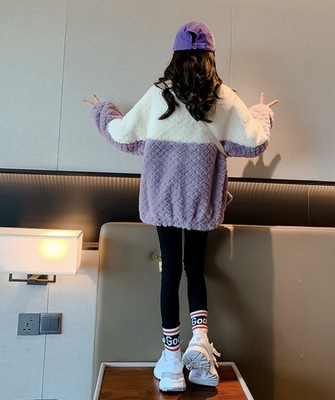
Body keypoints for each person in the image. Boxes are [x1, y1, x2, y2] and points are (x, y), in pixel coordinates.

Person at [84, 21, 277, 392]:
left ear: (176, 55)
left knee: (170, 270)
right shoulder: (223, 98)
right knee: (196, 268)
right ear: (211, 56)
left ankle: (172, 361)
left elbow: (123, 135)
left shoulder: (160, 94)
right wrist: (262, 111)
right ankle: (200, 342)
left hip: (163, 197)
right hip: (200, 199)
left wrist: (102, 110)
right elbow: (254, 142)